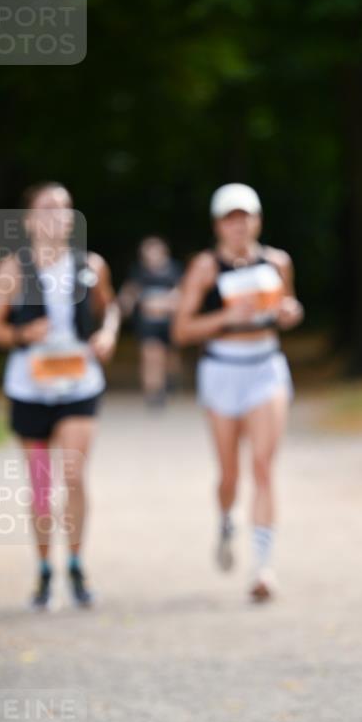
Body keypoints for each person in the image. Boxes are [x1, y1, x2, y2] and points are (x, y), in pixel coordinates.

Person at [0, 182, 120, 610]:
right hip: (30, 386)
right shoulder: (13, 269)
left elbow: (109, 307)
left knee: (73, 475)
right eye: (47, 208)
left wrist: (108, 334)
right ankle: (44, 571)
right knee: (41, 487)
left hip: (79, 383)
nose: (57, 215)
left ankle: (76, 563)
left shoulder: (90, 265)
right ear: (29, 220)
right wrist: (24, 332)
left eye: (64, 208)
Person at [172, 183, 303, 601]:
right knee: (230, 473)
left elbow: (290, 310)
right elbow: (181, 329)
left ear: (257, 220)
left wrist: (289, 312)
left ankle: (262, 569)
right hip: (222, 370)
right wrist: (225, 316)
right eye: (230, 218)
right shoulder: (206, 268)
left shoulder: (277, 262)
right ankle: (227, 516)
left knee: (263, 467)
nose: (238, 225)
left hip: (265, 368)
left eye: (245, 216)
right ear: (218, 225)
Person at [118, 236, 182, 406]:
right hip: (147, 324)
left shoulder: (174, 270)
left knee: (170, 357)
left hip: (169, 323)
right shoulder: (138, 271)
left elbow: (181, 293)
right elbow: (131, 291)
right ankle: (153, 392)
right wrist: (126, 304)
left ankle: (169, 381)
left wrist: (163, 303)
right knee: (151, 356)